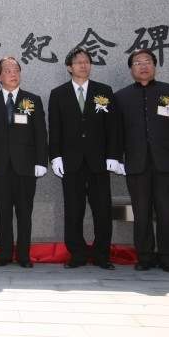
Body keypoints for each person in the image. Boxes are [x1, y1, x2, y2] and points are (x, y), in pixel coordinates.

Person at [114, 48, 169, 273]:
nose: (143, 66)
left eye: (147, 61)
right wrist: (117, 159)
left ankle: (167, 257)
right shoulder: (121, 97)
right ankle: (145, 257)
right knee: (141, 213)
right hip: (136, 165)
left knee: (167, 212)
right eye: (138, 62)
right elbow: (117, 133)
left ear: (154, 66)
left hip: (166, 164)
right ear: (131, 69)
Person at [48, 47, 120, 270]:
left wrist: (114, 155)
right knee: (73, 210)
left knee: (102, 210)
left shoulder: (104, 91)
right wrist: (55, 157)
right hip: (71, 162)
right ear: (69, 67)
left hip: (99, 162)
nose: (83, 65)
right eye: (78, 62)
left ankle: (102, 255)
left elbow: (113, 127)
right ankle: (77, 254)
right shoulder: (58, 94)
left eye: (87, 61)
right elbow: (55, 128)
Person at [0, 56, 47, 268]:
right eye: (7, 70)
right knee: (3, 212)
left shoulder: (32, 100)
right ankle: (5, 254)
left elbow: (40, 133)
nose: (13, 74)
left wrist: (41, 161)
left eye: (16, 70)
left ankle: (24, 256)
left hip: (26, 166)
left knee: (24, 213)